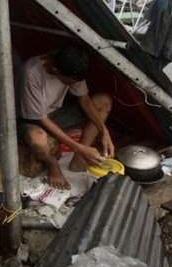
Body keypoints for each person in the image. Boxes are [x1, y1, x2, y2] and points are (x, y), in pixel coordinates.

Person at [17, 47, 115, 189]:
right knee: (37, 137)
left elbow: (84, 99)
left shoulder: (70, 63)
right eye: (69, 82)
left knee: (103, 100)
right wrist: (78, 147)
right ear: (55, 70)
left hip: (55, 112)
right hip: (30, 119)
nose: (73, 85)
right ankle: (53, 164)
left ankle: (78, 161)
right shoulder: (30, 73)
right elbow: (41, 119)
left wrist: (104, 131)